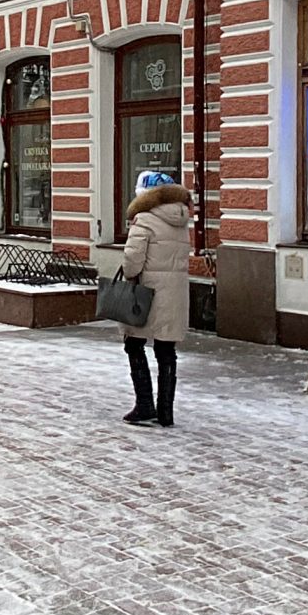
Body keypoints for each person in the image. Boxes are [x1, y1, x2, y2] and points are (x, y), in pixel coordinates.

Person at [116, 169, 192, 429]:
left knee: (134, 344)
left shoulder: (144, 220)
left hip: (146, 294)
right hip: (175, 293)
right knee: (166, 350)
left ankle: (145, 404)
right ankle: (166, 411)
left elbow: (133, 260)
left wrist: (129, 273)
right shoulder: (181, 220)